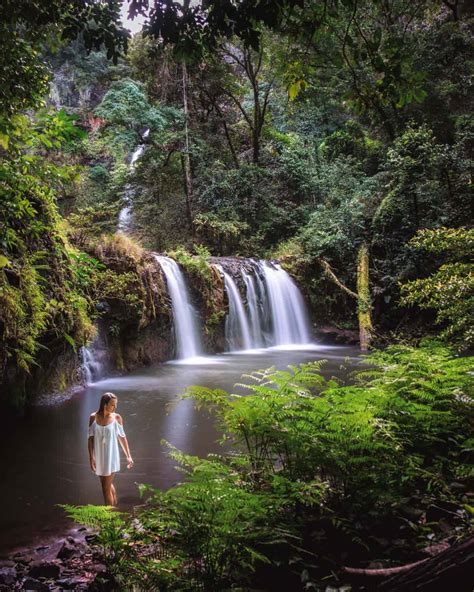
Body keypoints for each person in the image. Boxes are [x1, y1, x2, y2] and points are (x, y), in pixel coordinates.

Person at [88, 392, 133, 506]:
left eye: (116, 404)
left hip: (111, 456)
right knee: (106, 484)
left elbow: (122, 437)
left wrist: (128, 456)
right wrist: (91, 458)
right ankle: (115, 504)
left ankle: (110, 518)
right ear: (105, 404)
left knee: (105, 488)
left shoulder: (117, 418)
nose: (115, 407)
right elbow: (90, 439)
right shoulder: (93, 417)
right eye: (113, 404)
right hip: (99, 456)